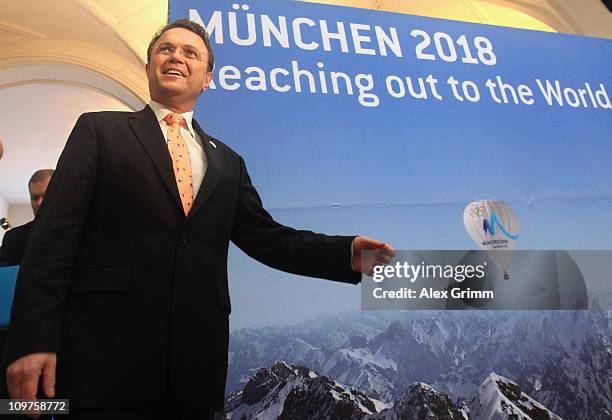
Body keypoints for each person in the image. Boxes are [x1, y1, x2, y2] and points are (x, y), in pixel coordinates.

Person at [1, 19, 393, 419]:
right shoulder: (99, 131)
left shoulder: (228, 161)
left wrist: (343, 253)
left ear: (207, 78)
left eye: (191, 53)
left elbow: (268, 238)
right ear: (151, 65)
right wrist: (32, 338)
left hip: (196, 364)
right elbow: (53, 239)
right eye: (165, 49)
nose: (176, 56)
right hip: (105, 356)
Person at [0, 170, 54, 266]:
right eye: (35, 198)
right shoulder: (13, 238)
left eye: (46, 196)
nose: (39, 203)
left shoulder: (79, 232)